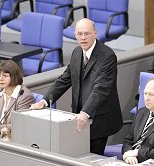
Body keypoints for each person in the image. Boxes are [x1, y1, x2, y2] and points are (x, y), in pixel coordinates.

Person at [30, 18, 123, 155]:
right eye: (80, 34)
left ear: (95, 34)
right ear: (75, 35)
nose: (83, 38)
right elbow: (64, 80)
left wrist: (85, 113)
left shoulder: (107, 56)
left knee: (91, 158)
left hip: (99, 118)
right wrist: (44, 101)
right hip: (78, 116)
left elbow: (101, 89)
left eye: (87, 33)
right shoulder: (76, 53)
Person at [0, 60, 34, 134]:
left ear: (14, 77)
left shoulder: (25, 96)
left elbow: (18, 125)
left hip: (12, 137)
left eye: (5, 76)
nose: (1, 79)